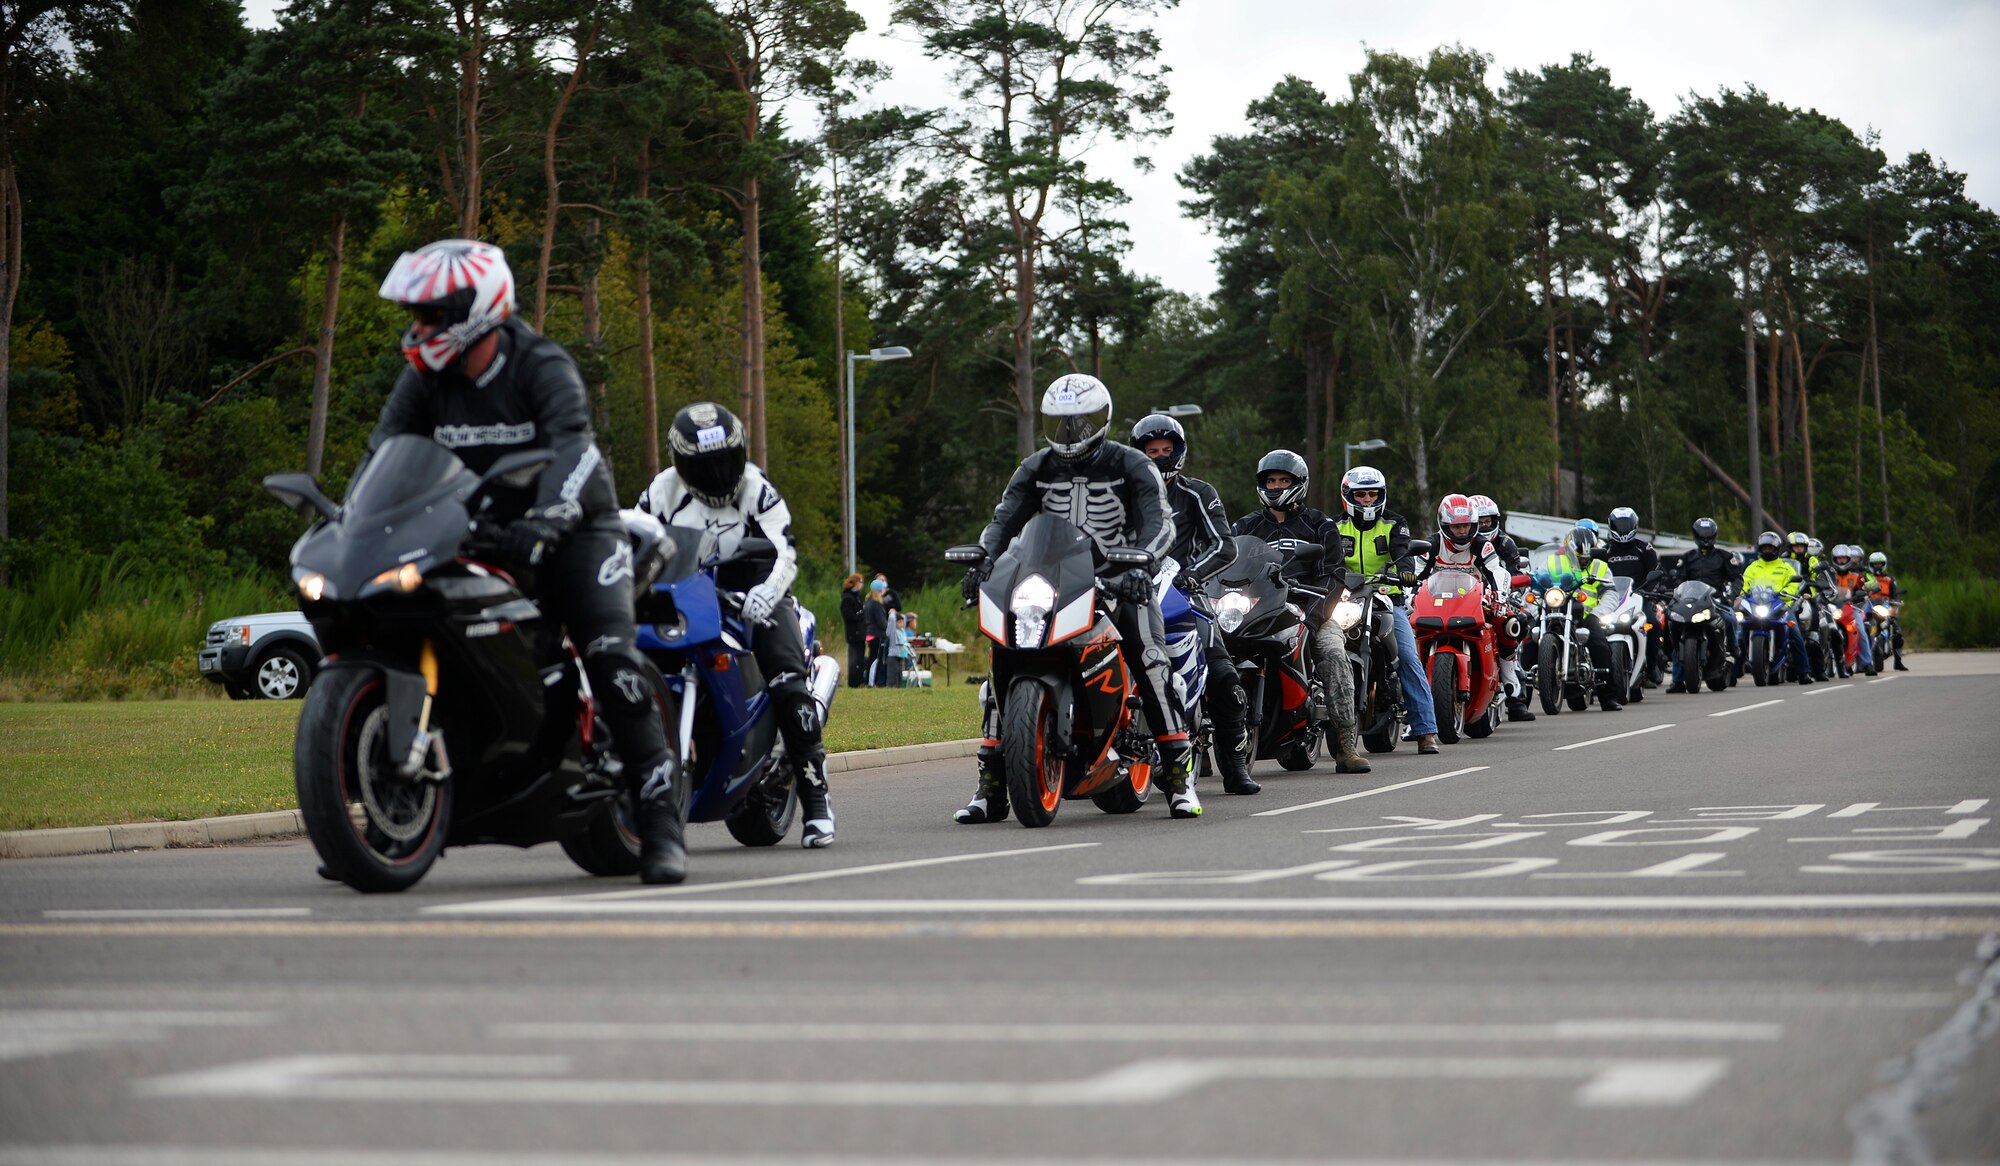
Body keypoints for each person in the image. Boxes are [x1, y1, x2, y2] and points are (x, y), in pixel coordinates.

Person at [371, 240, 682, 881]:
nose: (420, 328)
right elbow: (385, 456)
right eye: (417, 314)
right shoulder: (424, 379)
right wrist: (361, 520)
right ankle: (395, 817)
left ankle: (659, 825)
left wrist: (545, 521)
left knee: (608, 654)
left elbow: (573, 450)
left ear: (477, 310)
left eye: (433, 315)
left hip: (575, 531)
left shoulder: (541, 363)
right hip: (474, 531)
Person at [955, 373, 1198, 822]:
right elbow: (1003, 522)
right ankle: (990, 788)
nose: (1071, 431)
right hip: (1054, 581)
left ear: (1100, 420)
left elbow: (1160, 522)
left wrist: (1141, 565)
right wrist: (983, 562)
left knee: (1149, 658)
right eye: (1061, 421)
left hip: (1119, 578)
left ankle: (1179, 781)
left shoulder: (1132, 464)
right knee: (1001, 660)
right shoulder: (1035, 467)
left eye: (1080, 421)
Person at [637, 402, 837, 848]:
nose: (716, 475)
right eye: (701, 466)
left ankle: (817, 800)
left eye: (724, 462)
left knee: (787, 682)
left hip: (755, 593)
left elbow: (784, 549)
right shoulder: (660, 491)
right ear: (680, 462)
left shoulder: (757, 487)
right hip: (687, 593)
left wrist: (768, 591)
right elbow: (639, 543)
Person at [1132, 413, 1259, 794]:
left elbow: (1225, 545)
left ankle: (1235, 768)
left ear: (1179, 452)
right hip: (1129, 592)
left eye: (1165, 450)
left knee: (1225, 679)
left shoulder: (1197, 493)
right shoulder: (1120, 494)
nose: (1158, 457)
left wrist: (1192, 574)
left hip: (1184, 592)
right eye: (1150, 451)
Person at [1231, 451, 1370, 772]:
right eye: (1271, 480)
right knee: (1214, 653)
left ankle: (1347, 746)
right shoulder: (1245, 526)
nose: (1276, 485)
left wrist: (1314, 615)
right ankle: (1203, 737)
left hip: (1310, 610)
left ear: (1299, 484)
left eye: (1283, 480)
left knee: (1333, 652)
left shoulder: (1320, 525)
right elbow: (1229, 567)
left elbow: (1334, 575)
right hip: (1258, 611)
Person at [1328, 464, 1443, 753]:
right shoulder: (1334, 527)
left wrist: (1404, 572)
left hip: (1386, 598)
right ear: (1348, 497)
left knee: (1406, 655)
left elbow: (1403, 552)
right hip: (1346, 599)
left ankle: (1425, 730)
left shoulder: (1394, 523)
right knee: (1321, 649)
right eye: (1361, 495)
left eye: (1372, 494)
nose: (1367, 500)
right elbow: (1327, 561)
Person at [1417, 493, 1530, 721]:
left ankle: (1508, 673)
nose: (1462, 532)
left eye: (1467, 526)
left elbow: (1497, 571)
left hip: (1477, 599)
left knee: (1510, 623)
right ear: (1445, 524)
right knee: (1407, 633)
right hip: (1437, 604)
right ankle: (1411, 700)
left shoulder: (1482, 546)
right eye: (1457, 527)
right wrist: (1410, 594)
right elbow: (1416, 574)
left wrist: (1499, 595)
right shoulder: (1431, 545)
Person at [1542, 524, 1624, 709]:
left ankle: (1608, 698)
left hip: (1587, 615)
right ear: (1569, 551)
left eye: (1587, 556)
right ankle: (1520, 698)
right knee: (1530, 641)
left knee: (1601, 646)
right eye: (1580, 557)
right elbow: (1537, 581)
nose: (1585, 560)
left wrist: (1598, 613)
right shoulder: (1552, 562)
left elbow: (1611, 593)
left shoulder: (1600, 566)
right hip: (1556, 611)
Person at [1664, 517, 1742, 692]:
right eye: (1702, 535)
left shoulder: (1725, 556)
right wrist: (1674, 592)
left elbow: (1736, 578)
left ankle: (1733, 647)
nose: (1705, 539)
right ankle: (1677, 680)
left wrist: (1732, 594)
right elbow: (1678, 579)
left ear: (1714, 535)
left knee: (1729, 617)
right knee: (1674, 625)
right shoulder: (1687, 557)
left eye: (1708, 536)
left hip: (1716, 599)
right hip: (1690, 601)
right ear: (1696, 536)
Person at [1738, 530, 1813, 684]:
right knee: (1739, 633)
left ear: (1776, 549)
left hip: (1782, 605)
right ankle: (1733, 672)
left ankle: (1804, 672)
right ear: (1760, 549)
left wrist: (1788, 592)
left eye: (1770, 548)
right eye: (1765, 548)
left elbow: (1795, 583)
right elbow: (1744, 583)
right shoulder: (1753, 567)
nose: (1767, 550)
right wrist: (1740, 593)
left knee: (1795, 633)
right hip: (1757, 605)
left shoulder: (1786, 567)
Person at [1828, 544, 1875, 674]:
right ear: (1834, 559)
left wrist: (1863, 592)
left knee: (1860, 630)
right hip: (1831, 607)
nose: (1841, 561)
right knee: (1819, 627)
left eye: (1844, 558)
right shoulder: (1829, 574)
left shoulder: (1857, 575)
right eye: (1839, 559)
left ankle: (1867, 663)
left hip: (1850, 607)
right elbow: (1821, 587)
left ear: (1849, 559)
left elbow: (1866, 586)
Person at [1865, 550, 1908, 670]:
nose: (1877, 566)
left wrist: (1896, 602)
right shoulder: (1867, 578)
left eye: (1880, 564)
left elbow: (1895, 594)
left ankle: (1898, 662)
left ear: (1884, 564)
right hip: (1869, 607)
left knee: (1898, 633)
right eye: (1875, 564)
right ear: (1870, 564)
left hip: (1885, 606)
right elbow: (1861, 590)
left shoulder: (1890, 579)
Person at [1469, 494, 1524, 574]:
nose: (1484, 526)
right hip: (1467, 584)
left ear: (1494, 521)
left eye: (1487, 521)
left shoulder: (1505, 543)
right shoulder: (1461, 545)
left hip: (1498, 585)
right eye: (1479, 522)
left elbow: (1514, 573)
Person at [839, 574, 868, 688]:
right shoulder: (847, 598)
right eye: (860, 582)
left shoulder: (858, 597)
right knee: (854, 658)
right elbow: (848, 615)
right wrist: (860, 614)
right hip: (853, 632)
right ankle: (854, 682)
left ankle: (860, 680)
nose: (861, 585)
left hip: (860, 632)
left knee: (860, 657)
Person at [862, 584, 890, 686]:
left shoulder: (867, 603)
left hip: (869, 633)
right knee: (875, 659)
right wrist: (890, 627)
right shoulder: (876, 605)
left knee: (871, 657)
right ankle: (871, 682)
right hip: (877, 634)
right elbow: (881, 622)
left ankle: (869, 680)